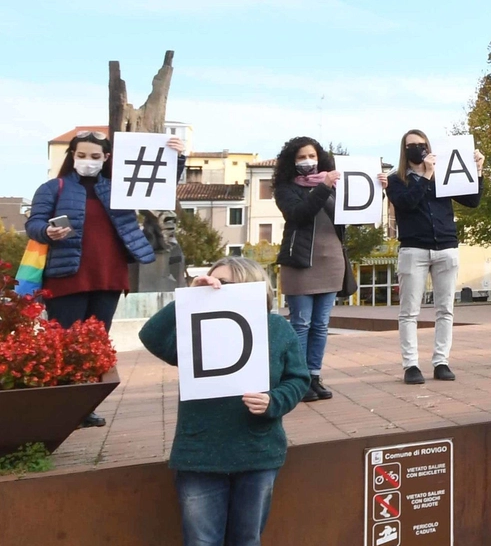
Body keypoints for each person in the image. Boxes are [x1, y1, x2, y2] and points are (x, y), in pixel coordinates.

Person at [138, 257, 311, 546]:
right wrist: (190, 297)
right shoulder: (198, 327)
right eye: (211, 281)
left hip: (258, 451)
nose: (214, 287)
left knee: (246, 540)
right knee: (201, 542)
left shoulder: (277, 329)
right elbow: (152, 336)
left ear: (250, 285)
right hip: (200, 454)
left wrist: (274, 401)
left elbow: (298, 378)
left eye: (224, 283)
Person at [26, 129, 185, 427]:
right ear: (72, 156)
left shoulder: (119, 188)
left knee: (95, 344)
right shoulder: (52, 188)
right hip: (65, 278)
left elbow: (156, 184)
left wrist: (177, 157)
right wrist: (46, 230)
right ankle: (61, 408)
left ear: (106, 158)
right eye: (81, 155)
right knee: (64, 344)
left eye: (95, 156)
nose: (88, 161)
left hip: (109, 276)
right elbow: (34, 223)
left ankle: (83, 408)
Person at [385, 130, 485, 385]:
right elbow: (407, 204)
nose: (417, 149)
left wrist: (478, 172)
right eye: (411, 146)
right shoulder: (396, 180)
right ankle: (411, 365)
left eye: (421, 144)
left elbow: (472, 200)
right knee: (409, 311)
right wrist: (427, 176)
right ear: (403, 151)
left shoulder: (445, 175)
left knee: (445, 309)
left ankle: (441, 361)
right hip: (413, 249)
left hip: (445, 247)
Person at [273, 136, 348, 403]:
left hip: (331, 261)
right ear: (292, 161)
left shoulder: (334, 185)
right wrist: (324, 187)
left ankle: (314, 376)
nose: (308, 161)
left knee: (321, 325)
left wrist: (379, 189)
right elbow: (300, 214)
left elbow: (354, 214)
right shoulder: (285, 189)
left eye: (312, 156)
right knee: (301, 323)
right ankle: (299, 379)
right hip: (300, 262)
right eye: (302, 157)